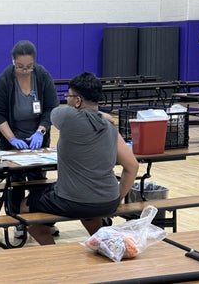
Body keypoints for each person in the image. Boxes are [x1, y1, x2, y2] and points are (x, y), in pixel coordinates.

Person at [20, 72, 139, 245]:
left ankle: (54, 252)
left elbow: (55, 113)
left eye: (68, 96)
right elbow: (132, 167)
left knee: (25, 206)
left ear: (77, 101)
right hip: (108, 200)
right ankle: (105, 244)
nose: (66, 99)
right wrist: (116, 199)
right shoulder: (110, 127)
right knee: (89, 212)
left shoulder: (66, 117)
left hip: (73, 201)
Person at [0, 40, 59, 238]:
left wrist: (41, 131)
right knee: (16, 180)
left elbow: (50, 108)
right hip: (13, 138)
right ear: (13, 62)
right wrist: (11, 139)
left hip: (38, 138)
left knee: (38, 179)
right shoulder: (5, 80)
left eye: (29, 67)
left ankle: (43, 220)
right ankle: (18, 221)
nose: (24, 70)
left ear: (34, 63)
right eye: (20, 66)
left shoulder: (42, 76)